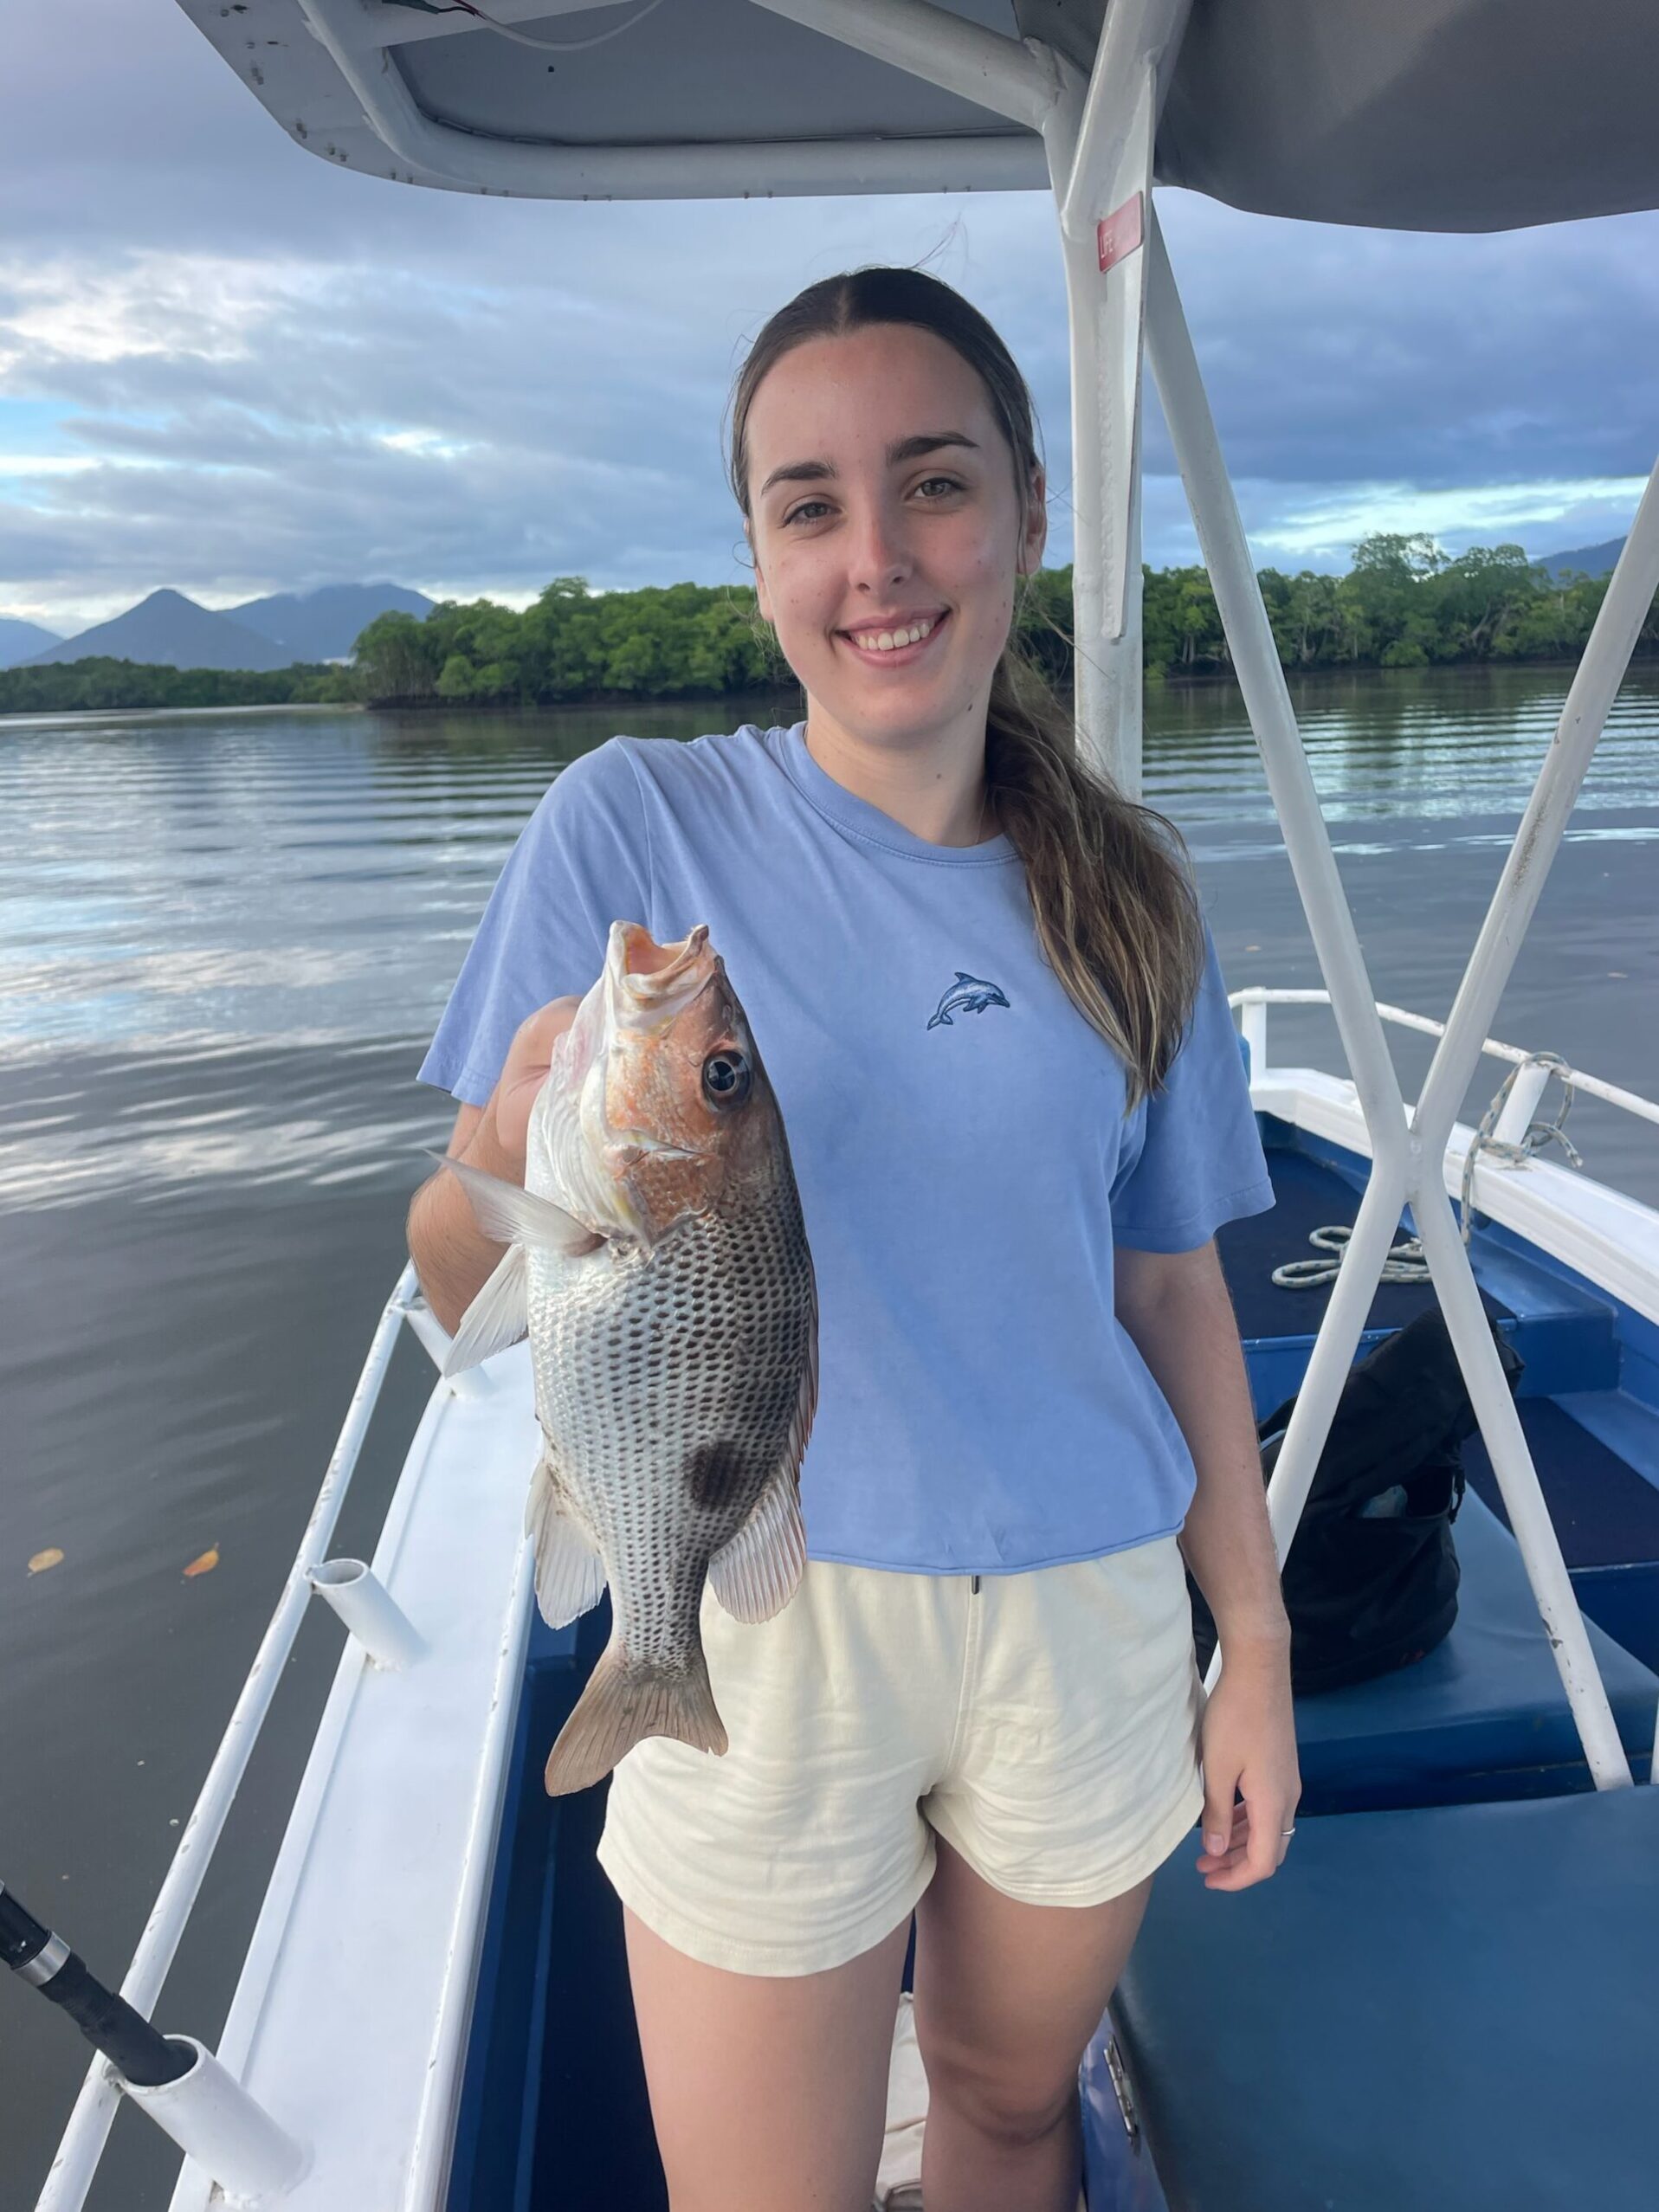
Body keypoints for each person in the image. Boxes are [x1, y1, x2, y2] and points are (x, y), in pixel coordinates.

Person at [408, 265, 1301, 2212]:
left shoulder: (1130, 890)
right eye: (810, 506)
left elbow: (1171, 1292)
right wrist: (502, 1139)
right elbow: (453, 1274)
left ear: (1028, 513)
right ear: (755, 560)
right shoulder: (629, 823)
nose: (878, 560)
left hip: (1085, 1611)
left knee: (1003, 2111)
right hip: (752, 1600)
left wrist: (1253, 1647)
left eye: (934, 485)